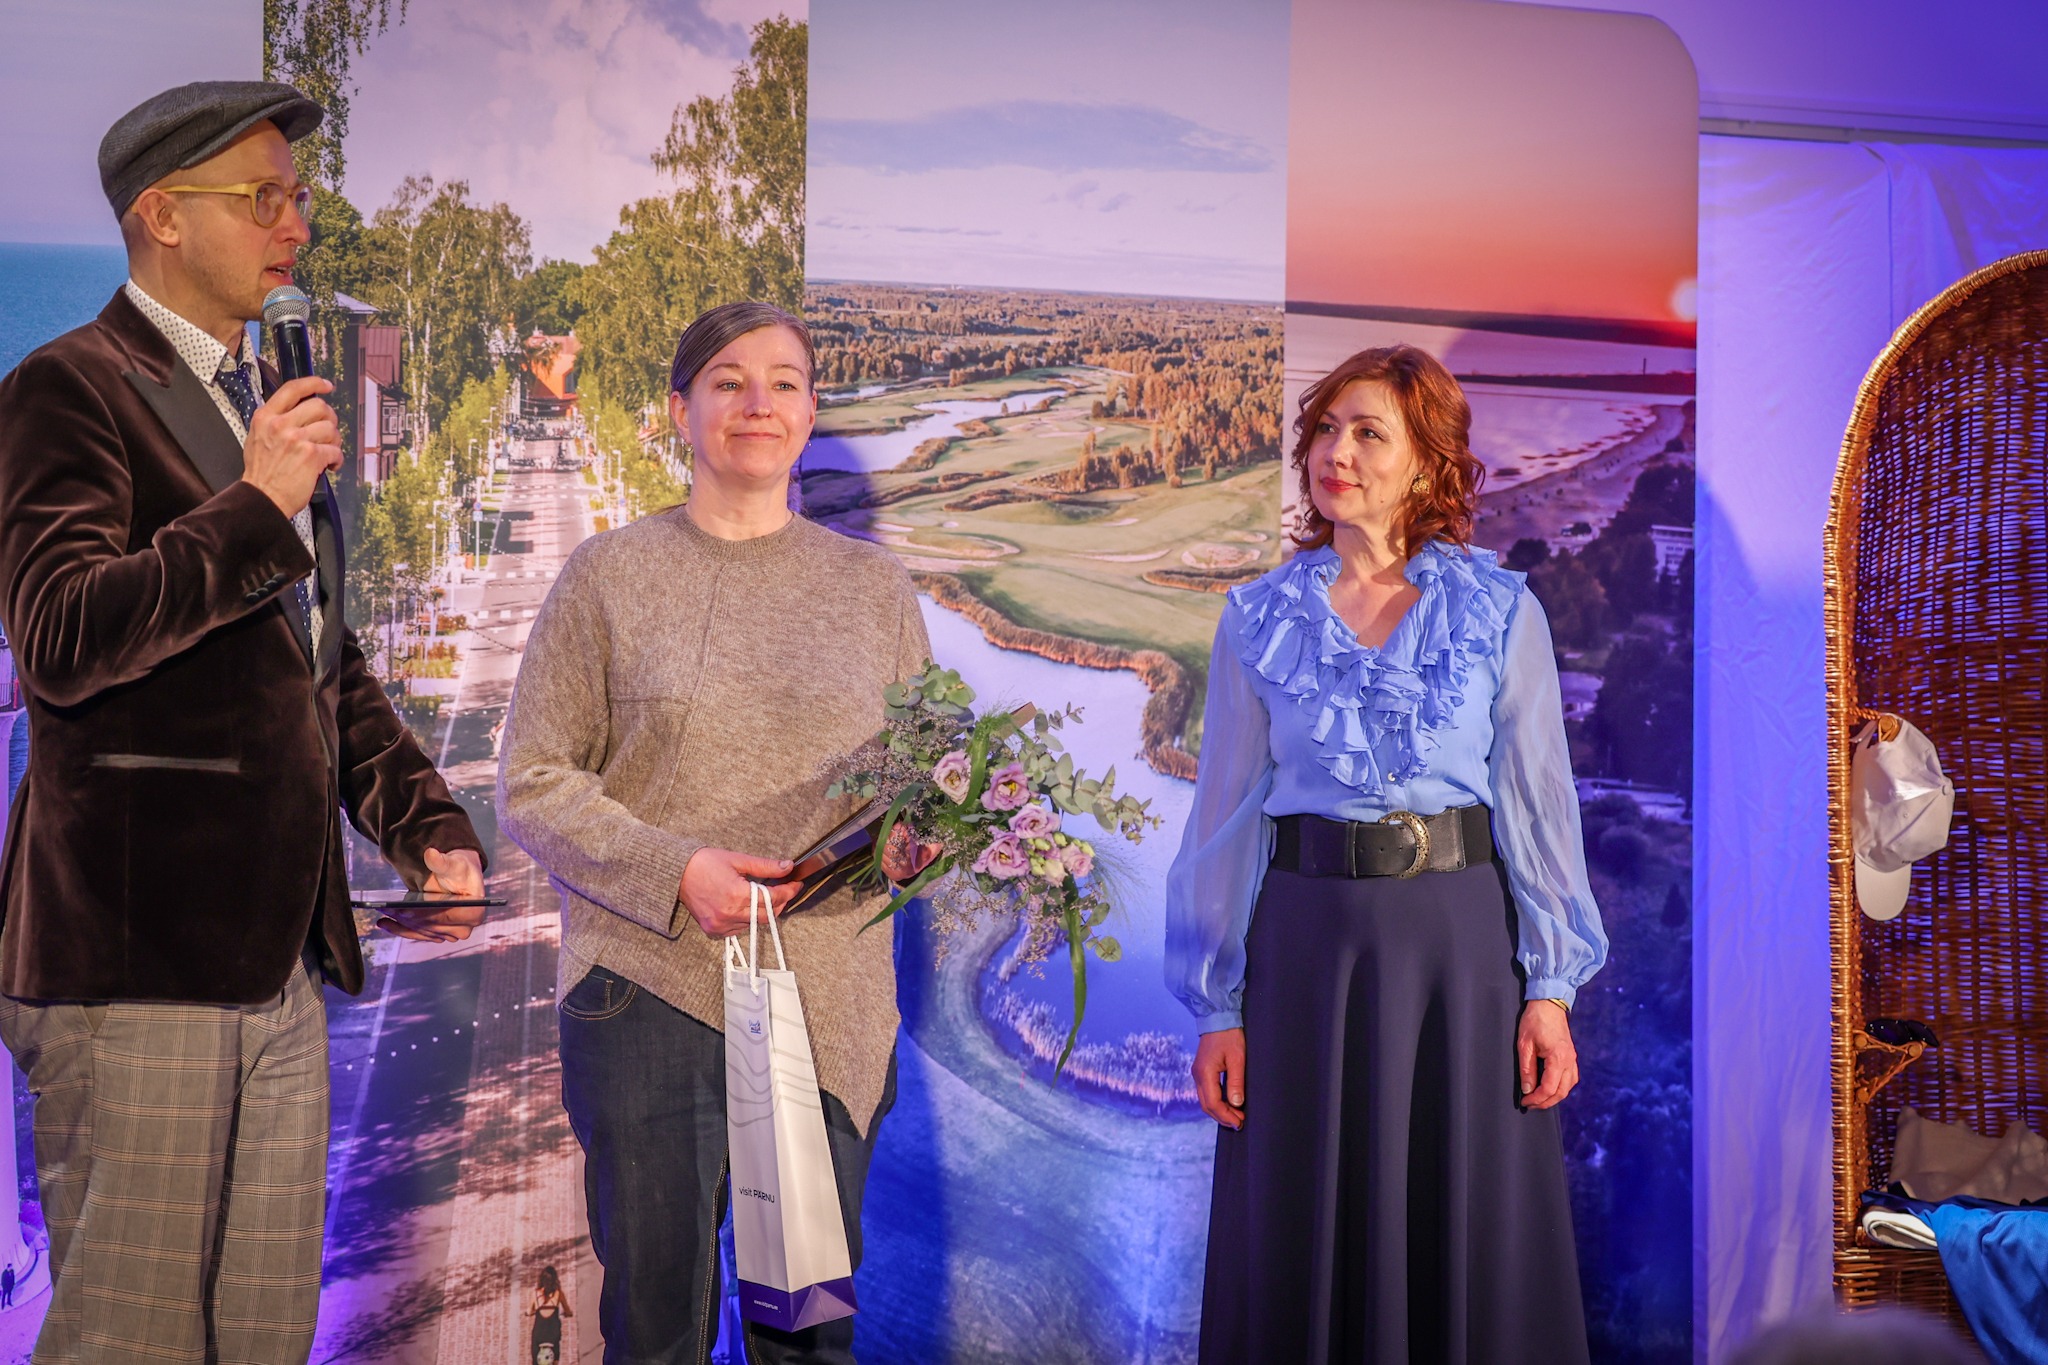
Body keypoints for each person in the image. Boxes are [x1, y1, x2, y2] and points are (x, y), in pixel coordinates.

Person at [0, 81, 487, 1361]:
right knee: (132, 1339)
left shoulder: (265, 394)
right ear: (162, 215)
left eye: (298, 196)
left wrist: (424, 821)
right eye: (262, 197)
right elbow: (59, 637)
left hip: (281, 962)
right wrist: (257, 505)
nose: (296, 226)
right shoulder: (66, 388)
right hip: (136, 963)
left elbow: (314, 660)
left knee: (265, 1334)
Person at [498, 300, 931, 1364]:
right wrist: (675, 868)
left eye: (783, 383)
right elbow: (532, 783)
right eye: (728, 381)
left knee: (802, 1338)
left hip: (821, 1008)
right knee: (657, 1334)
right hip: (649, 988)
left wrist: (918, 841)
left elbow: (919, 785)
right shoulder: (607, 575)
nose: (756, 403)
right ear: (678, 410)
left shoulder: (874, 591)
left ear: (811, 412)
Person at [1165, 344, 1609, 1363]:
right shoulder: (1256, 619)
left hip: (1459, 957)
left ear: (1426, 464)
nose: (1337, 452)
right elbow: (1225, 820)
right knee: (1302, 1236)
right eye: (1325, 428)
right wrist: (1216, 1005)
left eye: (1368, 433)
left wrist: (1549, 989)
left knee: (1462, 1236)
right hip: (1304, 960)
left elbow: (1537, 807)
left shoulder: (1500, 611)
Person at [530, 1264, 574, 1365]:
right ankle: (555, 1361)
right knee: (555, 1350)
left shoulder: (536, 1294)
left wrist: (529, 1312)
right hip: (553, 1333)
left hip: (539, 1334)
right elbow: (567, 1310)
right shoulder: (559, 1293)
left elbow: (529, 1310)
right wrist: (568, 1313)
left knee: (535, 1354)